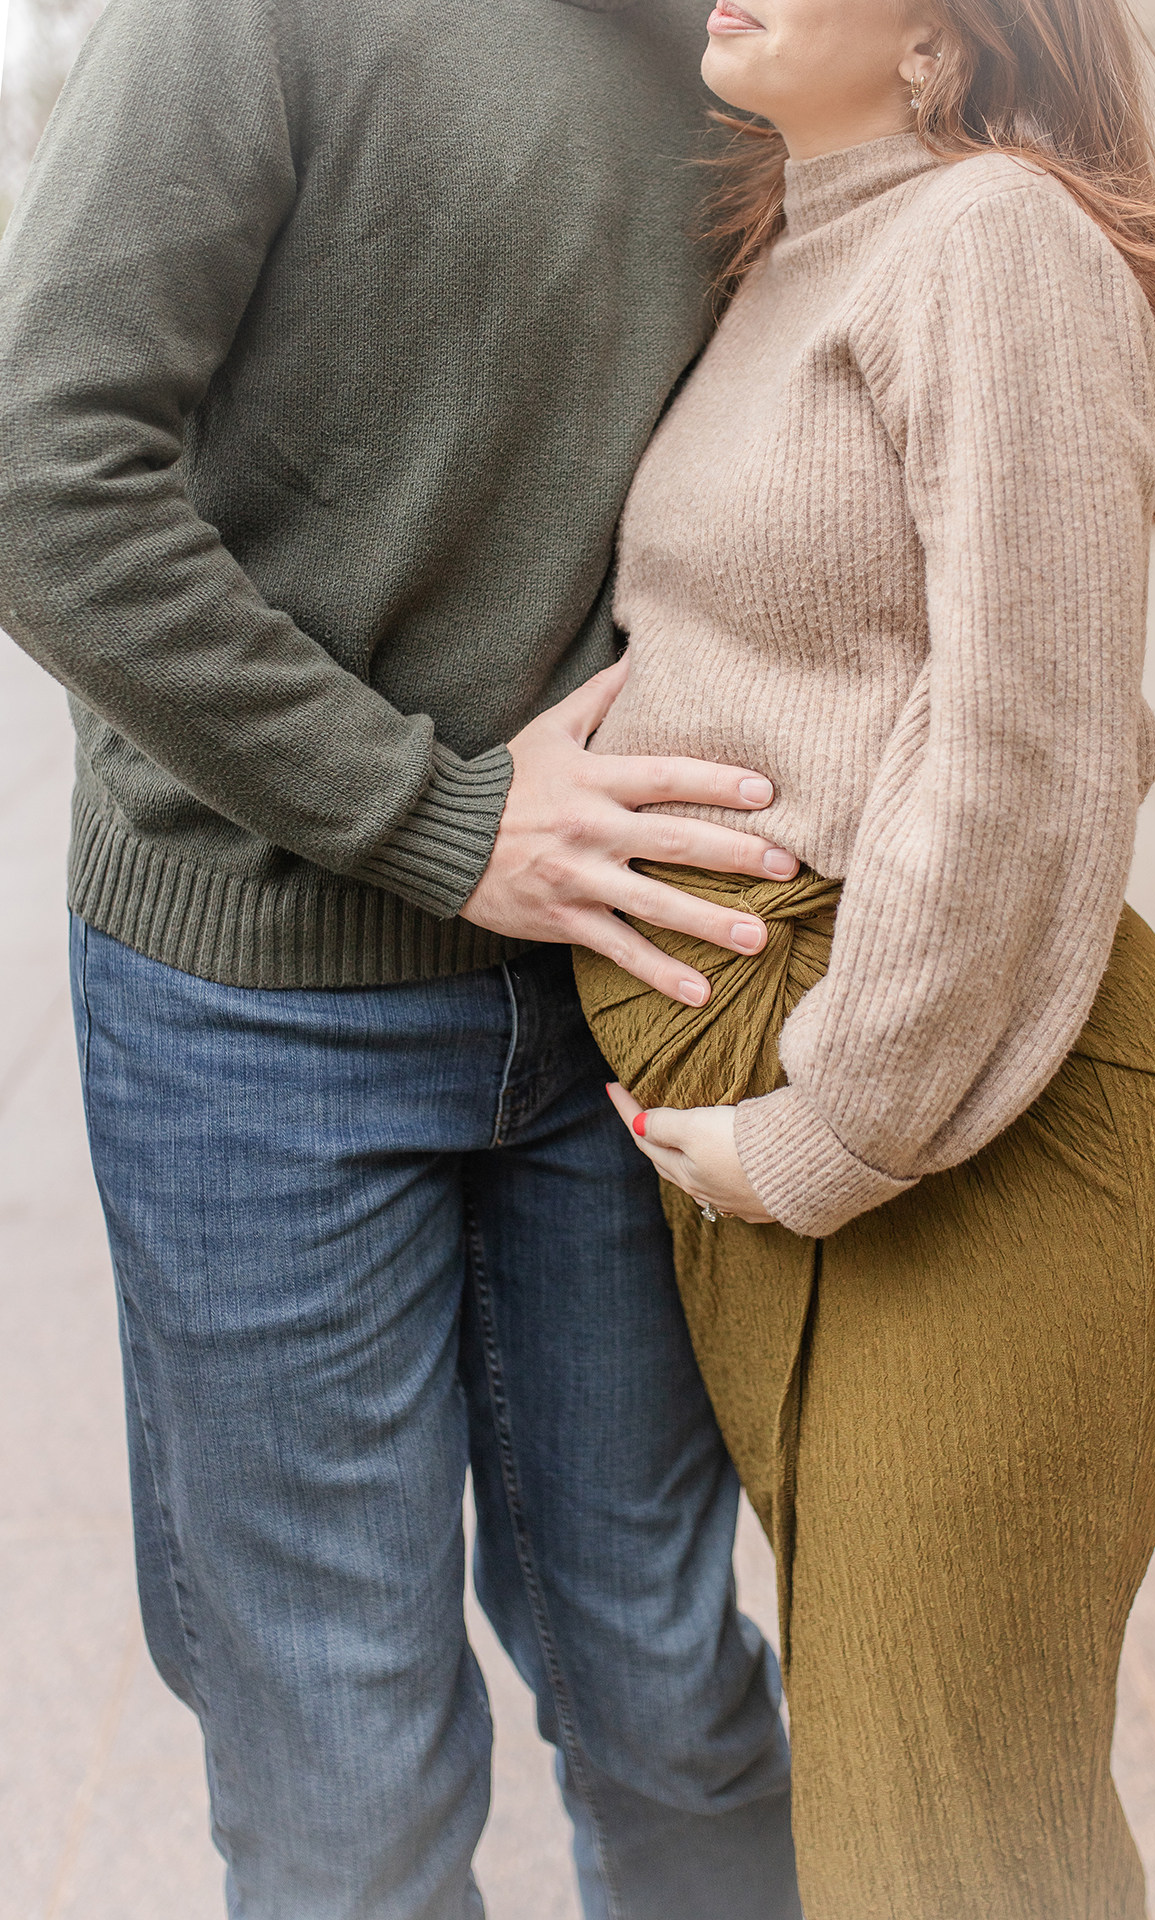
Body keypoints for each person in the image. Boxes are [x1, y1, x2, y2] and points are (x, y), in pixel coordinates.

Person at [0, 2, 809, 1915]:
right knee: (342, 1759)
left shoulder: (763, 48)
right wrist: (435, 820)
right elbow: (43, 474)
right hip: (257, 1011)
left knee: (672, 1693)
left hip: (622, 997)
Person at [574, 0, 1155, 1913]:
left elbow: (1026, 745)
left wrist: (820, 1132)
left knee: (943, 1852)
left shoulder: (992, 236)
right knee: (907, 1826)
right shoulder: (795, 246)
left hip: (967, 1149)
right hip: (813, 1159)